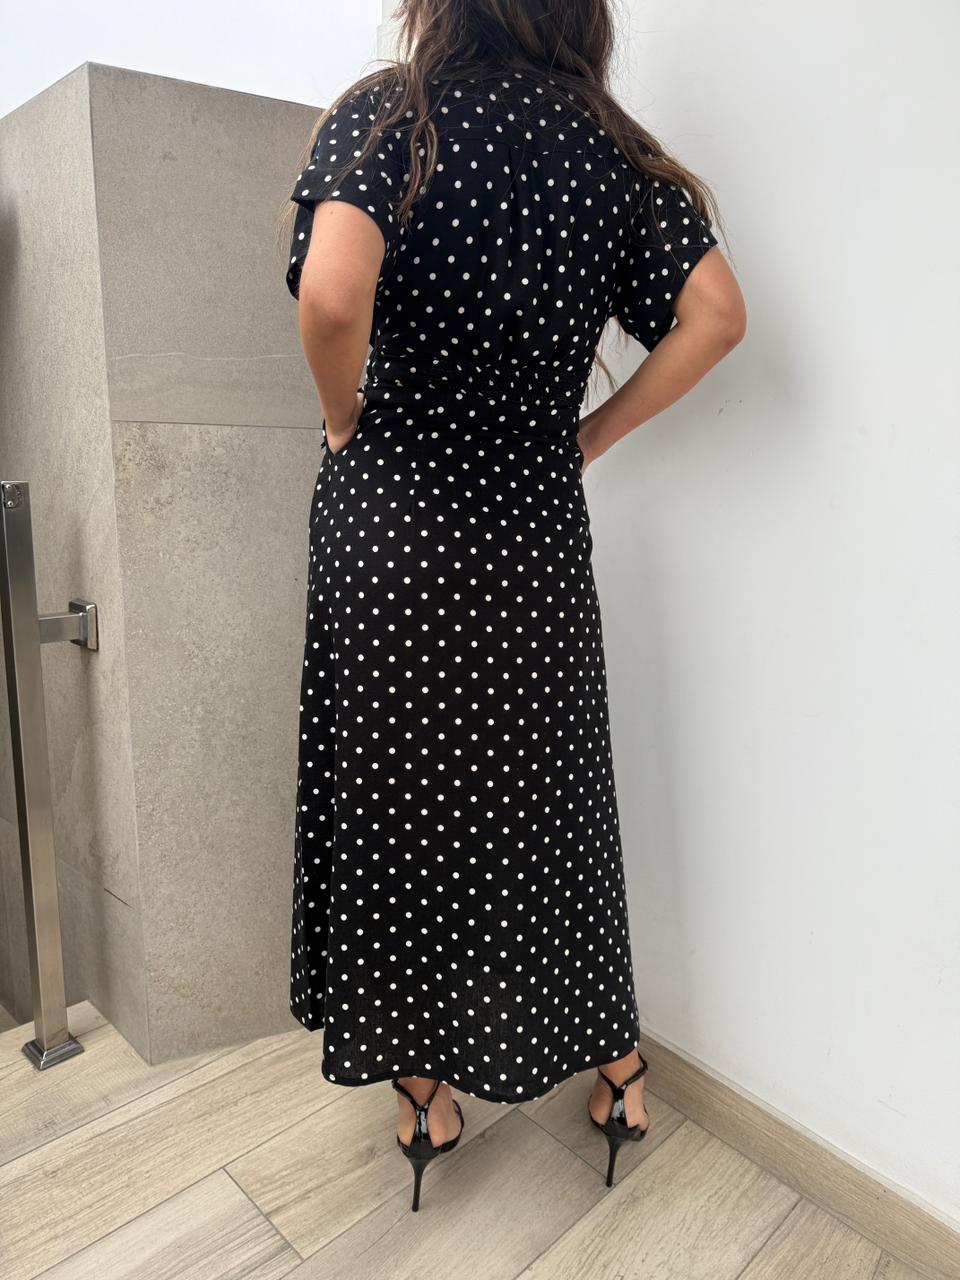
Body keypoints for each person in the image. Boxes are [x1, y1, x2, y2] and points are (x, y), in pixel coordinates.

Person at [276, 0, 746, 1212]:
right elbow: (717, 315)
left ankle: (425, 1087)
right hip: (530, 527)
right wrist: (585, 437)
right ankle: (621, 1071)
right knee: (549, 794)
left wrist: (344, 419)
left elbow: (331, 298)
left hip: (392, 515)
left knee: (398, 794)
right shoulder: (614, 151)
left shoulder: (396, 117)